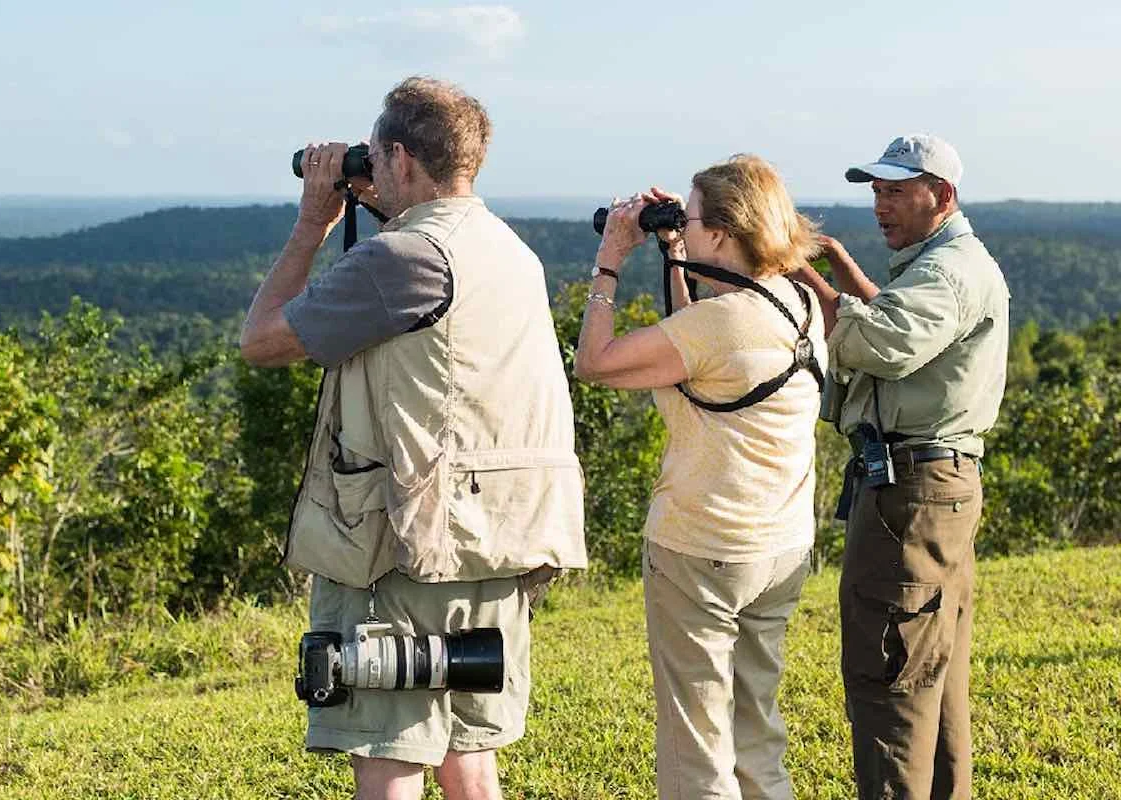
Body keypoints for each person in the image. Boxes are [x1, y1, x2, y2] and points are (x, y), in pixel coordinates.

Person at [240, 77, 586, 800]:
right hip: (496, 537)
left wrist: (313, 221)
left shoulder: (404, 259)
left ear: (397, 157)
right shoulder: (511, 252)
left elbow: (263, 341)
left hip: (404, 545)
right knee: (469, 759)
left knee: (390, 759)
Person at [575, 154, 827, 799]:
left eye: (690, 220)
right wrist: (672, 250)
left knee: (697, 749)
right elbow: (699, 354)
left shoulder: (719, 325)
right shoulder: (797, 304)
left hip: (703, 548)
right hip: (779, 550)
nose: (683, 229)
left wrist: (610, 260)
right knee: (756, 734)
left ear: (720, 233)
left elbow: (596, 363)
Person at [791, 134, 1010, 799]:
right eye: (876, 193)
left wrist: (799, 274)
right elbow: (887, 313)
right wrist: (836, 263)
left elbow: (877, 341)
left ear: (940, 195)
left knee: (889, 679)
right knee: (930, 677)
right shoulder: (943, 262)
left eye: (895, 193)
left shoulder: (948, 272)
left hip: (910, 494)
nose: (880, 206)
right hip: (932, 487)